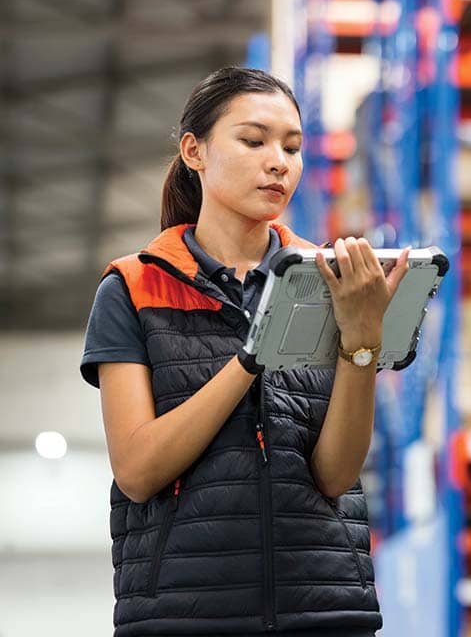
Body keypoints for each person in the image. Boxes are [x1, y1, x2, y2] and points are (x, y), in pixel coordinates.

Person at [81, 66, 408, 636]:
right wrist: (254, 355)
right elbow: (137, 469)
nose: (279, 161)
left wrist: (362, 342)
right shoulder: (134, 289)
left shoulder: (328, 280)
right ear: (194, 151)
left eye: (293, 146)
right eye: (253, 141)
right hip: (183, 616)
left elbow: (334, 475)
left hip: (325, 609)